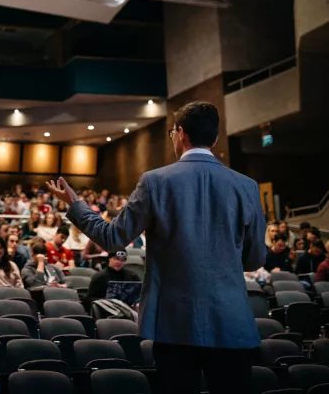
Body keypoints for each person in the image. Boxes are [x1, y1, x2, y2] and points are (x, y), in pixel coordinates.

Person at [47, 101, 266, 394]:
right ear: (214, 139)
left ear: (180, 133)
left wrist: (76, 205)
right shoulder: (247, 186)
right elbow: (254, 260)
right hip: (231, 322)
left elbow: (112, 239)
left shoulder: (155, 182)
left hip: (174, 324)